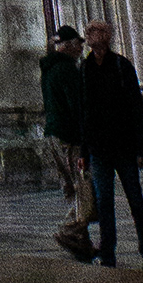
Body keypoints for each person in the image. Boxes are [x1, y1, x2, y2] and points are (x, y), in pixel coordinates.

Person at [81, 22, 143, 271]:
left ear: (109, 35)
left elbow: (137, 108)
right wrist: (84, 152)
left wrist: (142, 149)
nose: (95, 37)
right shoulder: (85, 69)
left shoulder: (122, 66)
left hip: (124, 147)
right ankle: (108, 253)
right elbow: (85, 112)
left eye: (100, 31)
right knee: (104, 204)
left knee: (136, 200)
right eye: (91, 32)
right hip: (99, 149)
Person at [41, 27, 91, 259]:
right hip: (69, 138)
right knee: (86, 191)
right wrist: (84, 138)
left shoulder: (49, 68)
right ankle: (69, 230)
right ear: (67, 45)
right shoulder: (67, 69)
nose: (82, 48)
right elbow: (77, 106)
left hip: (53, 135)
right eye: (78, 43)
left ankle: (82, 241)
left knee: (75, 190)